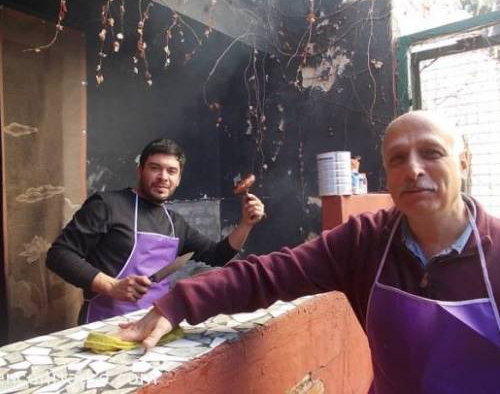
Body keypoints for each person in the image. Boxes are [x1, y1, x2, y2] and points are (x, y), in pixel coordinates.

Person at [119, 111, 500, 393]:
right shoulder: (365, 241)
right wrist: (179, 302)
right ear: (386, 171)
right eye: (398, 158)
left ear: (463, 163)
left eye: (431, 153)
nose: (413, 169)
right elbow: (273, 272)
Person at [46, 138, 265, 324]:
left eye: (172, 171)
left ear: (178, 179)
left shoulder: (175, 224)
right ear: (140, 170)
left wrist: (246, 224)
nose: (163, 177)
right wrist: (112, 286)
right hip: (105, 322)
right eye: (155, 168)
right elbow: (59, 255)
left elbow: (218, 256)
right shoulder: (106, 205)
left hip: (154, 321)